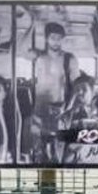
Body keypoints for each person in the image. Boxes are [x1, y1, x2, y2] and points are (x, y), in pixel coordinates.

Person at [30, 22, 79, 162]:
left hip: (60, 110)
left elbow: (77, 87)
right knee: (39, 150)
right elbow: (20, 49)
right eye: (52, 37)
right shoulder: (38, 57)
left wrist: (67, 109)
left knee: (59, 150)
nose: (56, 41)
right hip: (39, 110)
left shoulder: (69, 59)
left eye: (59, 38)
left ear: (63, 39)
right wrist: (31, 25)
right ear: (46, 38)